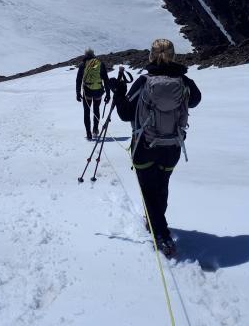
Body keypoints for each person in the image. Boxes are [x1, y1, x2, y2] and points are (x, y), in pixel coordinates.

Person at [113, 39, 201, 257]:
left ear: (151, 56)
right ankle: (157, 225)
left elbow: (125, 114)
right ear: (173, 55)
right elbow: (196, 100)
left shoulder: (144, 81)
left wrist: (119, 91)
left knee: (149, 191)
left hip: (144, 145)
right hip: (172, 147)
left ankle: (161, 234)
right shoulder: (183, 81)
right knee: (161, 186)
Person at [75, 49, 111, 140]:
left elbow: (78, 80)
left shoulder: (83, 65)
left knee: (86, 112)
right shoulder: (100, 64)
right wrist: (108, 94)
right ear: (93, 54)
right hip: (98, 92)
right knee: (96, 110)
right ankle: (95, 130)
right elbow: (106, 80)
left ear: (85, 55)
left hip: (87, 93)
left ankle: (88, 133)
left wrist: (78, 93)